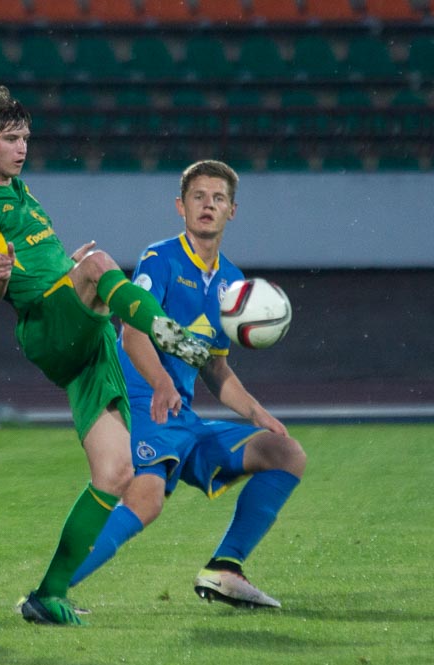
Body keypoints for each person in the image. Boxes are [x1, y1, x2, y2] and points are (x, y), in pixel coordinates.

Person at [0, 85, 210, 626]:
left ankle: (47, 596)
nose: (22, 148)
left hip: (85, 335)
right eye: (10, 139)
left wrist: (66, 270)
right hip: (48, 327)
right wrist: (0, 276)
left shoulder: (22, 192)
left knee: (116, 473)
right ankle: (168, 333)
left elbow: (44, 264)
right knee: (98, 263)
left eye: (25, 138)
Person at [69, 160, 306, 609]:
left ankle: (225, 569)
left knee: (286, 453)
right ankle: (51, 592)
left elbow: (215, 368)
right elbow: (133, 332)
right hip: (144, 401)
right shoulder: (160, 259)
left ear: (232, 210)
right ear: (181, 206)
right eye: (198, 197)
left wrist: (258, 413)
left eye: (218, 198)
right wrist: (161, 382)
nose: (208, 205)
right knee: (146, 499)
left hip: (181, 414)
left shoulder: (233, 282)